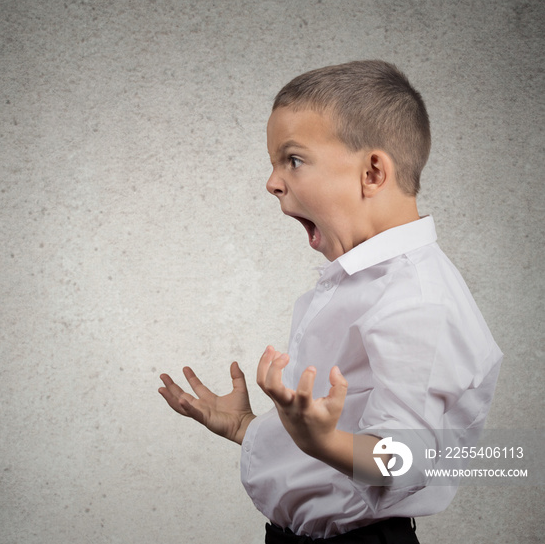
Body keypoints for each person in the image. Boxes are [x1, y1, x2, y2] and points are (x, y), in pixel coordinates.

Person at [158, 60, 502, 543]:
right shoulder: (355, 280)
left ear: (372, 172)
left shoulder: (417, 302)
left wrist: (322, 440)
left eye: (292, 160)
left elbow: (404, 460)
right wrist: (247, 428)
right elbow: (329, 446)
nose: (272, 182)